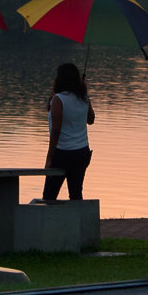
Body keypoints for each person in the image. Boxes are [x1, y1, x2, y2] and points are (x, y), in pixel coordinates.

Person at [42, 62, 95, 201]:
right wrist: (85, 94)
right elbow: (91, 119)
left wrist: (49, 157)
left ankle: (49, 222)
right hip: (81, 152)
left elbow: (56, 130)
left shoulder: (59, 100)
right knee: (76, 194)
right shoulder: (84, 98)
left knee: (49, 196)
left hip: (62, 153)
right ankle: (79, 222)